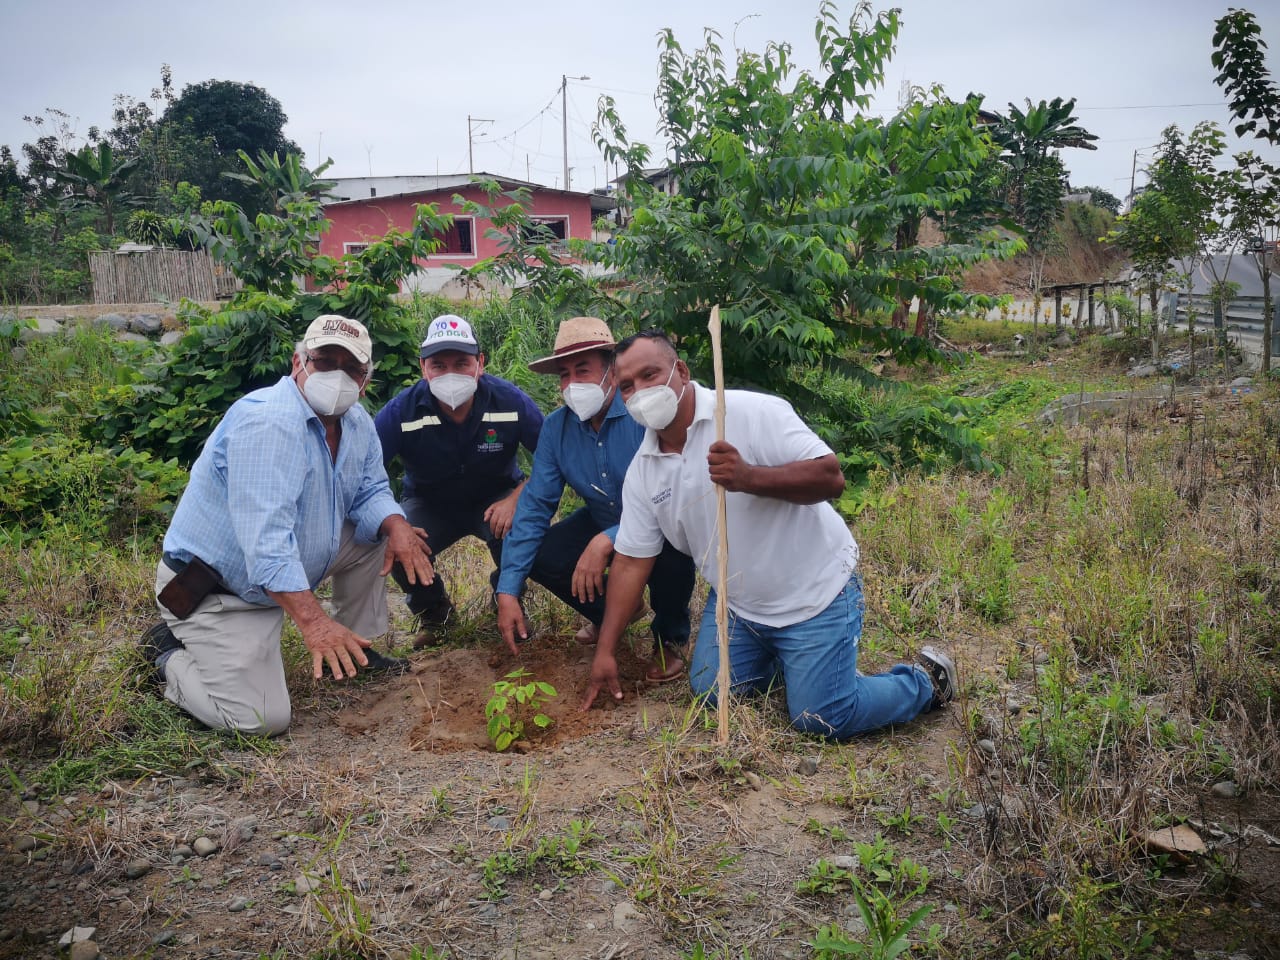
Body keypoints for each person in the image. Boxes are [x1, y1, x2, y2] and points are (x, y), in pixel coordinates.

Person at [581, 330, 957, 739]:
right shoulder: (644, 469)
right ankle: (792, 664)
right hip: (738, 605)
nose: (640, 392)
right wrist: (606, 650)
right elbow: (631, 562)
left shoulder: (750, 413)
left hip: (816, 595)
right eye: (627, 386)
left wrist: (749, 477)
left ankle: (924, 682)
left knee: (821, 718)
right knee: (710, 691)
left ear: (682, 371)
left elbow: (830, 478)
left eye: (650, 375)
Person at [140, 314, 434, 736]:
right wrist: (314, 624)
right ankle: (166, 656)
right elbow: (267, 545)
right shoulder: (269, 424)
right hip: (223, 590)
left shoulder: (356, 423)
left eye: (351, 369)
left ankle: (356, 649)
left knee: (376, 533)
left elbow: (370, 491)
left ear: (365, 381)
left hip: (281, 568)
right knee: (259, 720)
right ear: (299, 363)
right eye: (324, 361)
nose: (337, 376)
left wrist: (396, 524)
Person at [495, 316, 696, 682]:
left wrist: (608, 540)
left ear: (611, 373)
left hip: (659, 518)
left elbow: (669, 498)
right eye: (564, 375)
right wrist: (508, 590)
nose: (572, 384)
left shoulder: (643, 413)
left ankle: (669, 637)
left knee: (672, 551)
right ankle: (613, 613)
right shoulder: (556, 429)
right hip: (602, 514)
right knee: (542, 553)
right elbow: (536, 505)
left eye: (582, 370)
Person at [375, 315, 543, 648]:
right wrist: (394, 522)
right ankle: (435, 614)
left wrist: (517, 498)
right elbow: (365, 472)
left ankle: (507, 599)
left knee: (526, 527)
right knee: (394, 542)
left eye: (461, 363)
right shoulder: (401, 412)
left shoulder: (510, 401)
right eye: (439, 365)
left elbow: (554, 458)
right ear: (423, 368)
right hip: (429, 502)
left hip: (495, 497)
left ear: (480, 363)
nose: (450, 374)